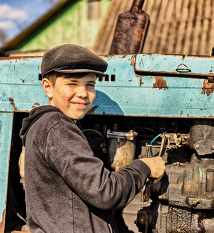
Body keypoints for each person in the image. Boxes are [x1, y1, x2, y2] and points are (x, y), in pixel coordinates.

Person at [20, 44, 165, 233]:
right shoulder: (57, 127)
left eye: (90, 85)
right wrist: (144, 166)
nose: (82, 93)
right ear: (48, 87)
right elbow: (106, 193)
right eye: (72, 83)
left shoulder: (47, 124)